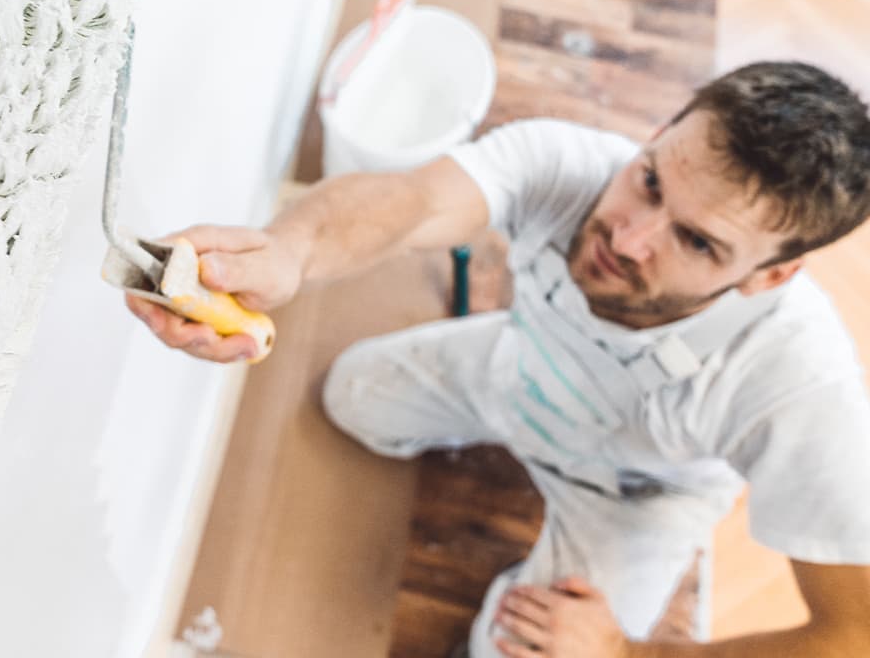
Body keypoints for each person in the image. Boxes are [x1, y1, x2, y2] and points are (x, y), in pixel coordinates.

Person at [126, 62, 870, 657]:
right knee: (353, 398)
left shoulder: (800, 385)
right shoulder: (565, 163)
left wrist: (628, 651)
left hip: (639, 492)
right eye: (649, 181)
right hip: (522, 377)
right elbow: (413, 201)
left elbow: (854, 635)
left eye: (697, 242)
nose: (627, 239)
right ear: (659, 133)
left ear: (771, 275)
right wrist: (291, 250)